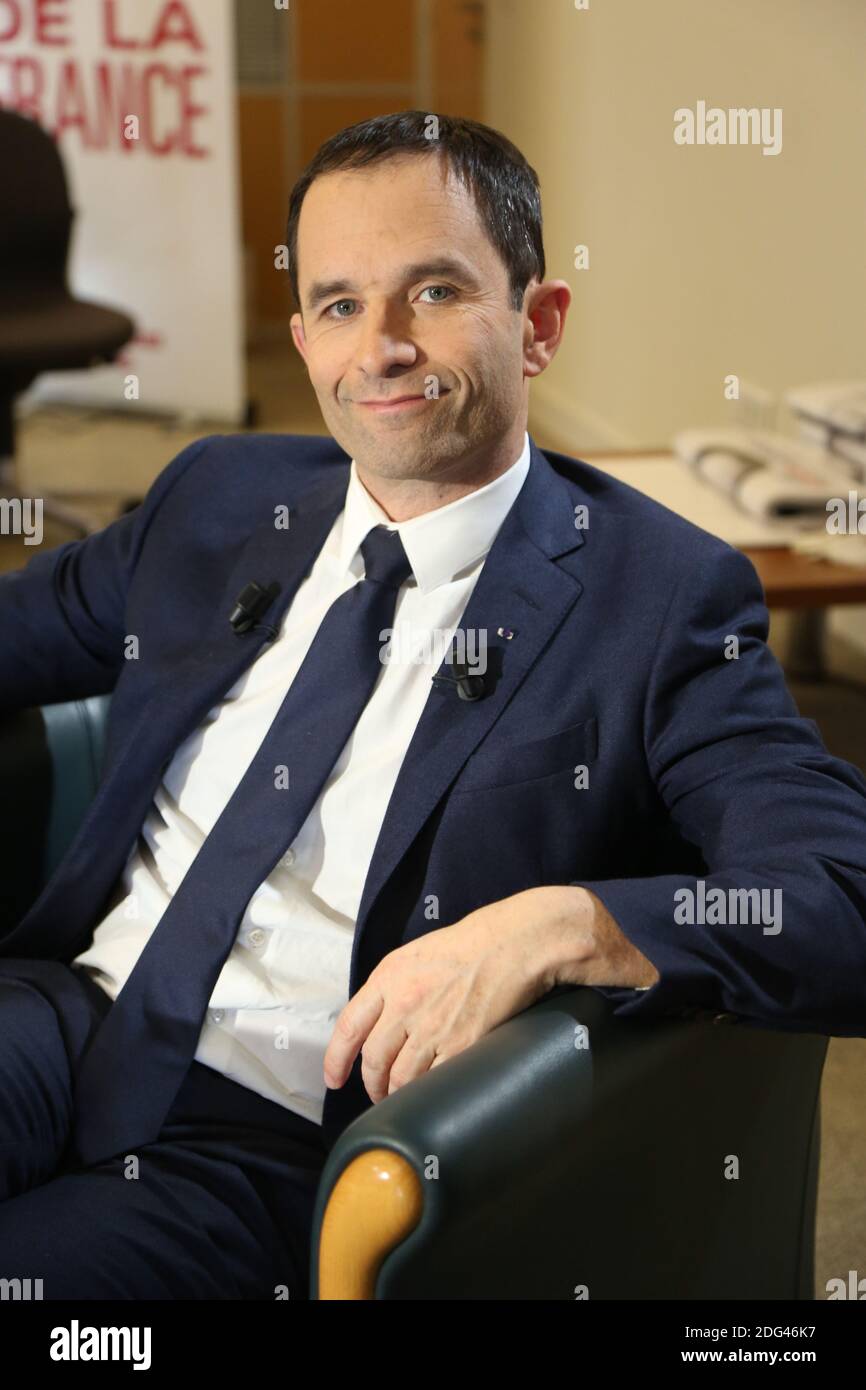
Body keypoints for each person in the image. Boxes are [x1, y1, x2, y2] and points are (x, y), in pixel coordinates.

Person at [1, 111, 865, 1301]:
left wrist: (565, 924)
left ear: (538, 322)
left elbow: (836, 897)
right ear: (300, 337)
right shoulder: (219, 495)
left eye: (435, 291)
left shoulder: (656, 599)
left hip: (269, 1132)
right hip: (66, 1010)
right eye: (343, 304)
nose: (383, 347)